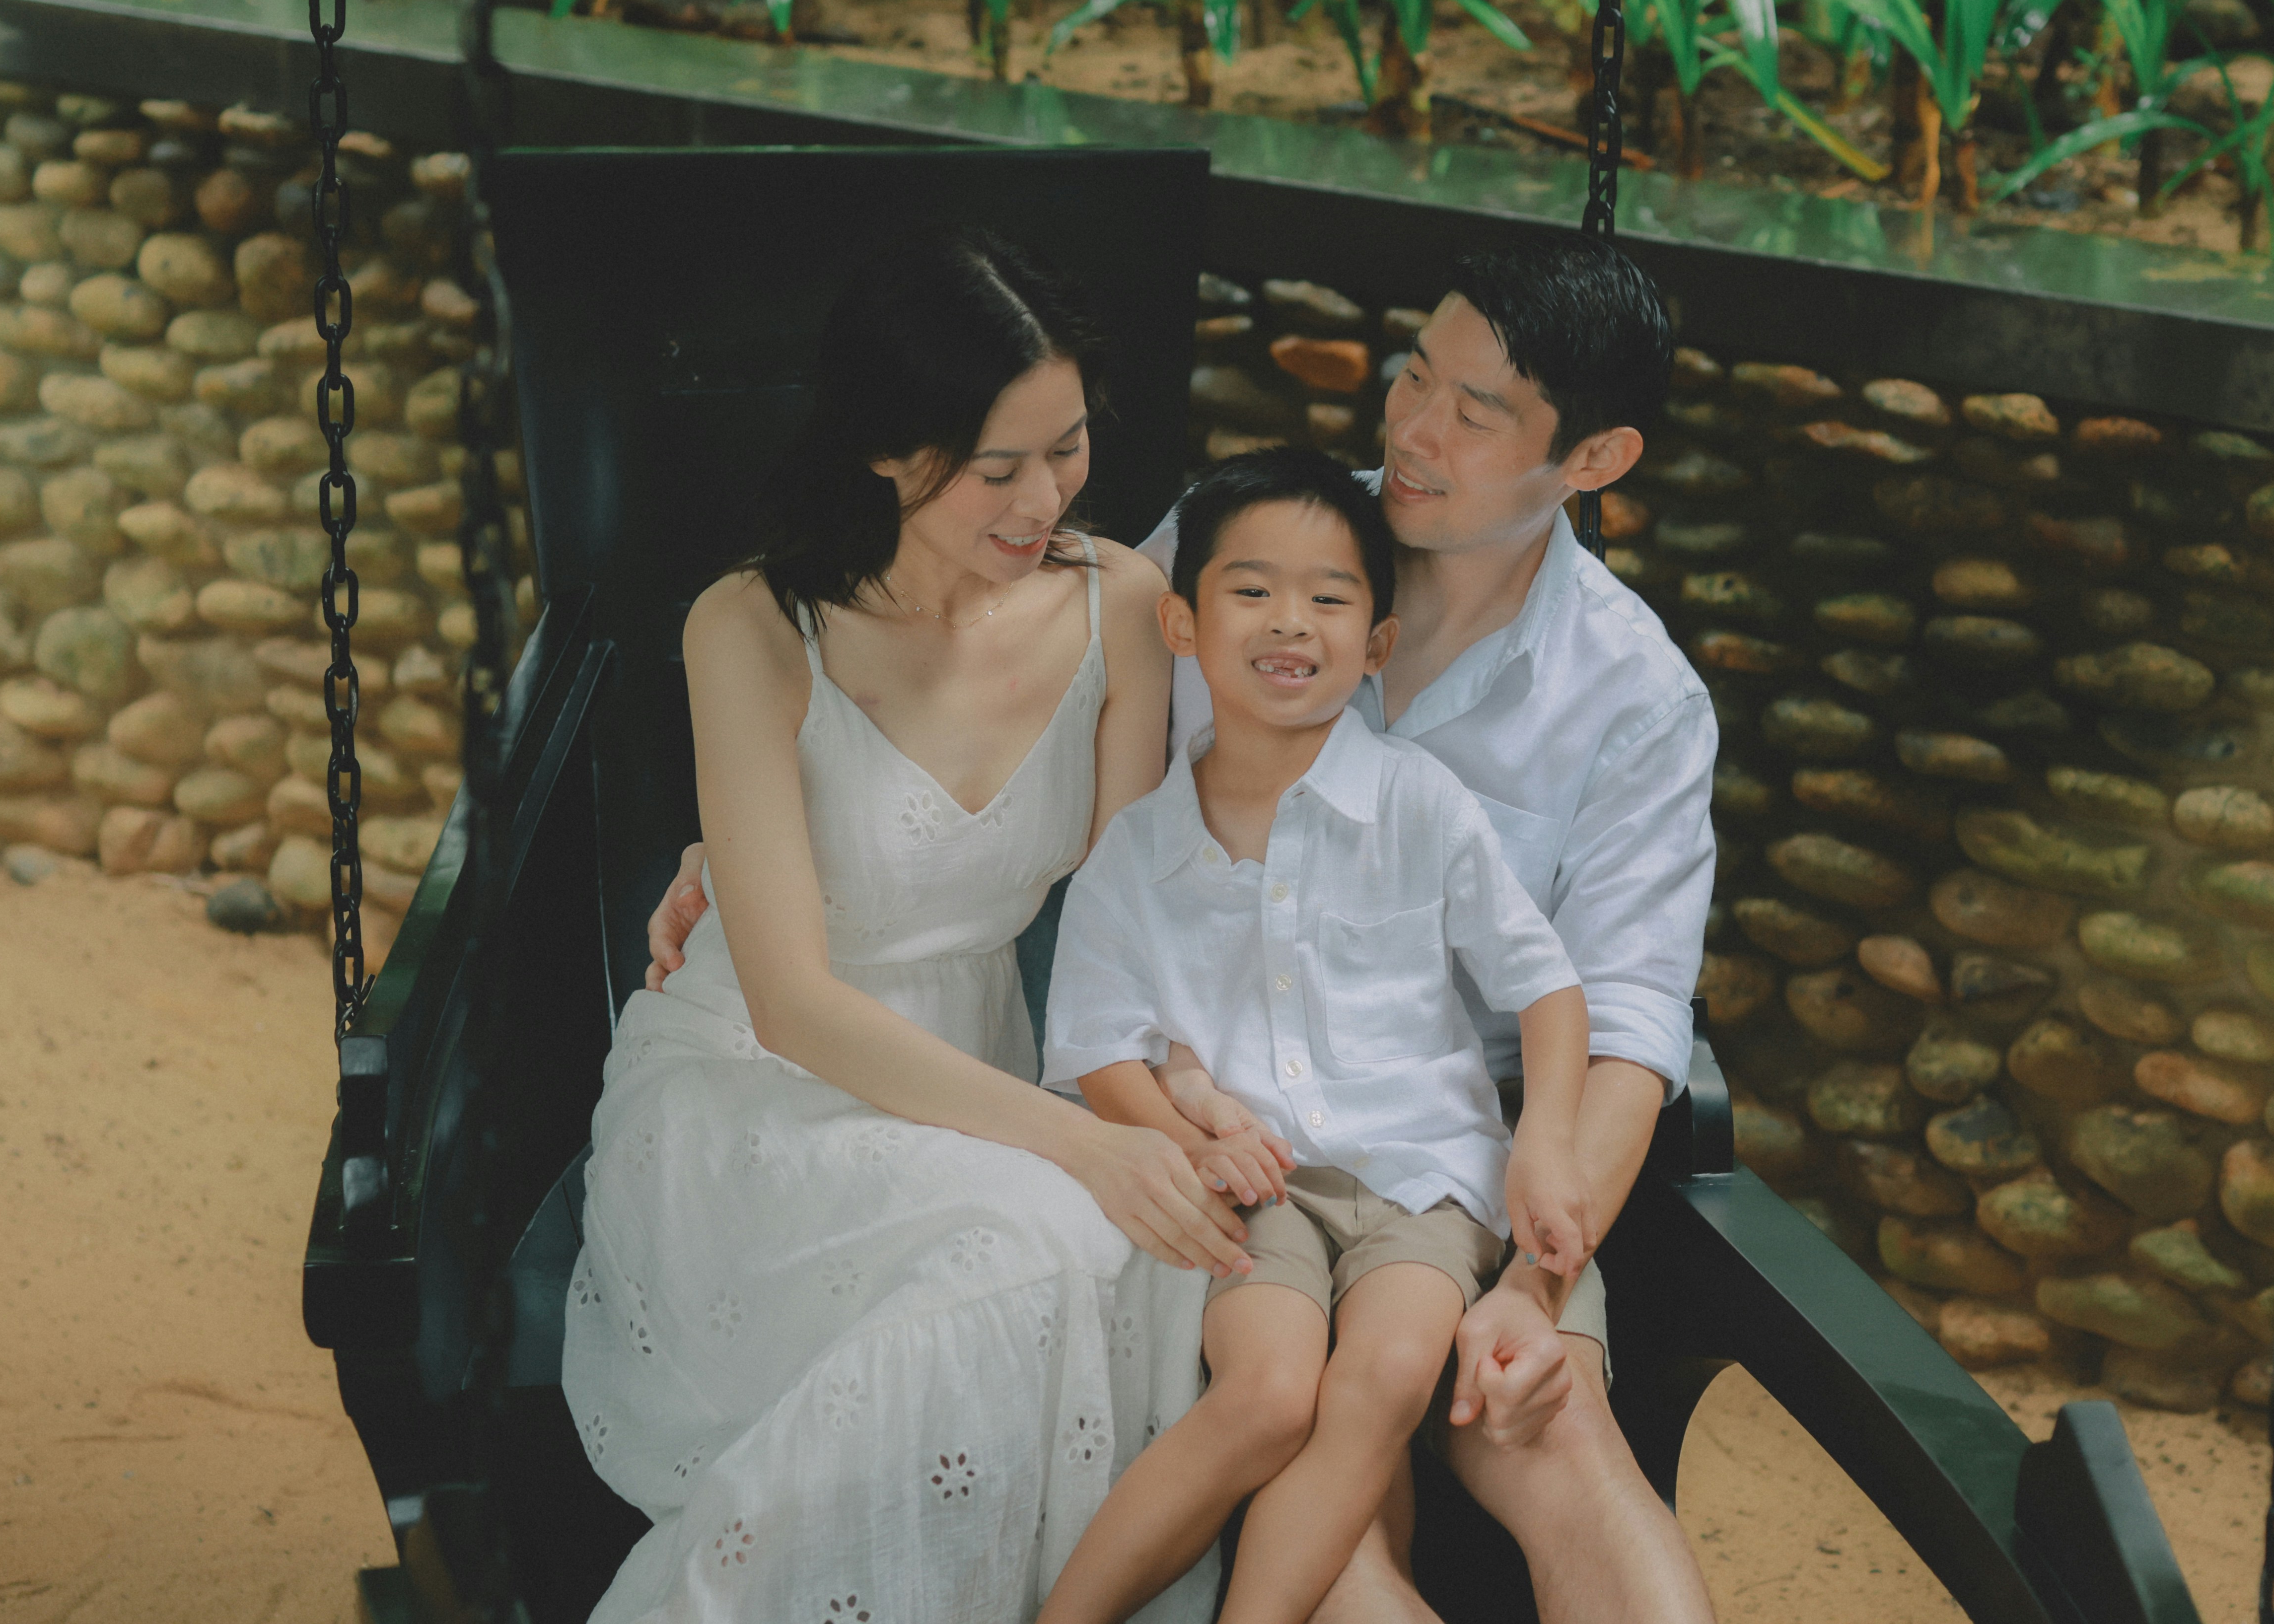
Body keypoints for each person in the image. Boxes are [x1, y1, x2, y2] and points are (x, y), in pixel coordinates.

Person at [647, 234, 1721, 1623]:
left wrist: (1534, 1272)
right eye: (1412, 378)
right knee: (1325, 1500)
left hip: (1447, 1171)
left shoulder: (1635, 701)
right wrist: (771, 819)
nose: (1410, 428)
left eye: (1475, 412)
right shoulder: (1253, 534)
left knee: (1548, 1423)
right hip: (1220, 1149)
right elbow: (1020, 696)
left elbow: (1630, 1028)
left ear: (1593, 461)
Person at [562, 228, 1255, 1624]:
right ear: (886, 448)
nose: (1043, 494)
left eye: (1065, 449)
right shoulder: (752, 628)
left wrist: (1172, 1092)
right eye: (995, 468)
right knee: (1036, 1240)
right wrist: (1084, 1143)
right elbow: (793, 1005)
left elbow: (1126, 914)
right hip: (756, 1092)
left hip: (981, 1074)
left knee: (1165, 1247)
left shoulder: (1119, 601)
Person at [1033, 451, 1595, 1624]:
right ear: (1183, 623)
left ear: (1376, 644)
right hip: (1260, 1185)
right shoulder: (1136, 851)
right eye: (1252, 591)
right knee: (1271, 1391)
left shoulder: (1417, 803)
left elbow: (1545, 986)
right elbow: (1094, 1047)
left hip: (1426, 1180)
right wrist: (1182, 1141)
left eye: (1332, 599)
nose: (1292, 623)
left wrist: (1543, 1140)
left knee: (1386, 1373)